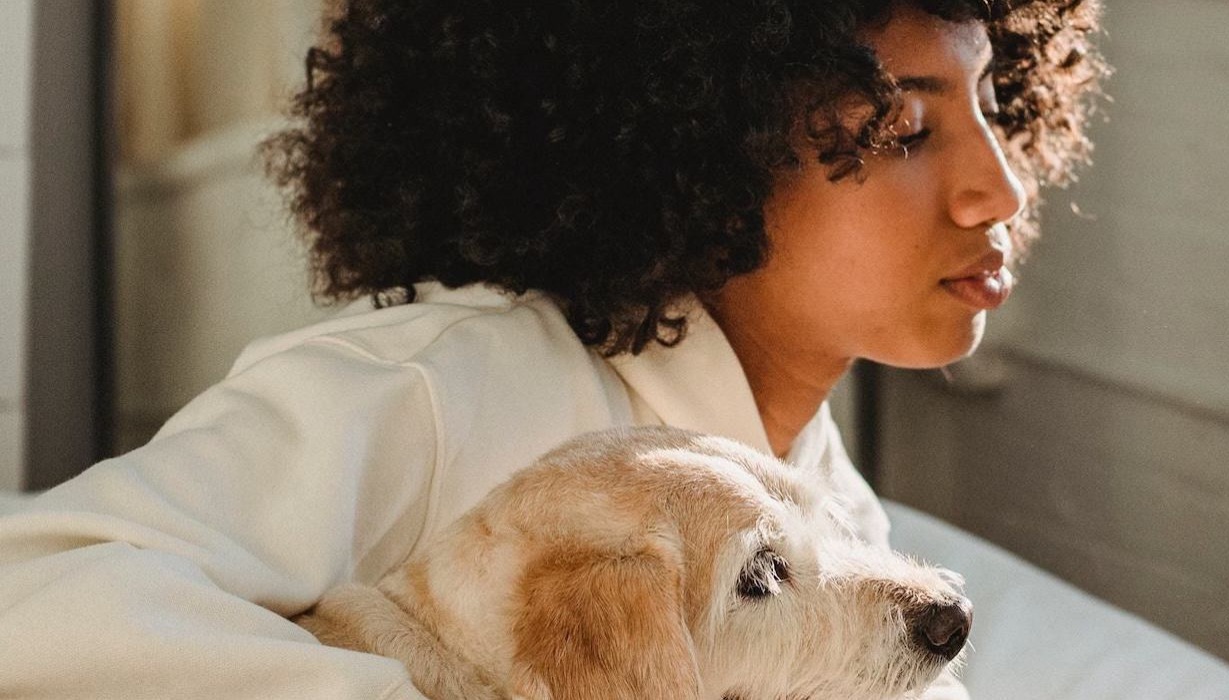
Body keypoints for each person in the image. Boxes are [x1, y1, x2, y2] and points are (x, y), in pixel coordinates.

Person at [0, 0, 1104, 697]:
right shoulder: (440, 387)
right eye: (902, 128)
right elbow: (34, 592)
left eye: (996, 102)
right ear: (702, 145)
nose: (999, 184)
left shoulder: (832, 506)